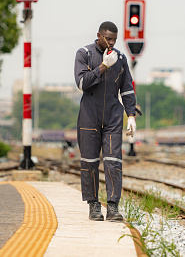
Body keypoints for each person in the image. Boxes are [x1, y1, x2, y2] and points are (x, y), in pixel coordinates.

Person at [74, 21, 137, 222]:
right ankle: (93, 205)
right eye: (107, 39)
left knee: (113, 161)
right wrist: (103, 66)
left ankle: (112, 207)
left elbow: (127, 88)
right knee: (90, 161)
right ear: (99, 35)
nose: (111, 43)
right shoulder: (84, 53)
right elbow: (82, 83)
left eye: (114, 40)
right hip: (89, 114)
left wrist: (131, 115)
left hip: (112, 114)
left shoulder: (120, 58)